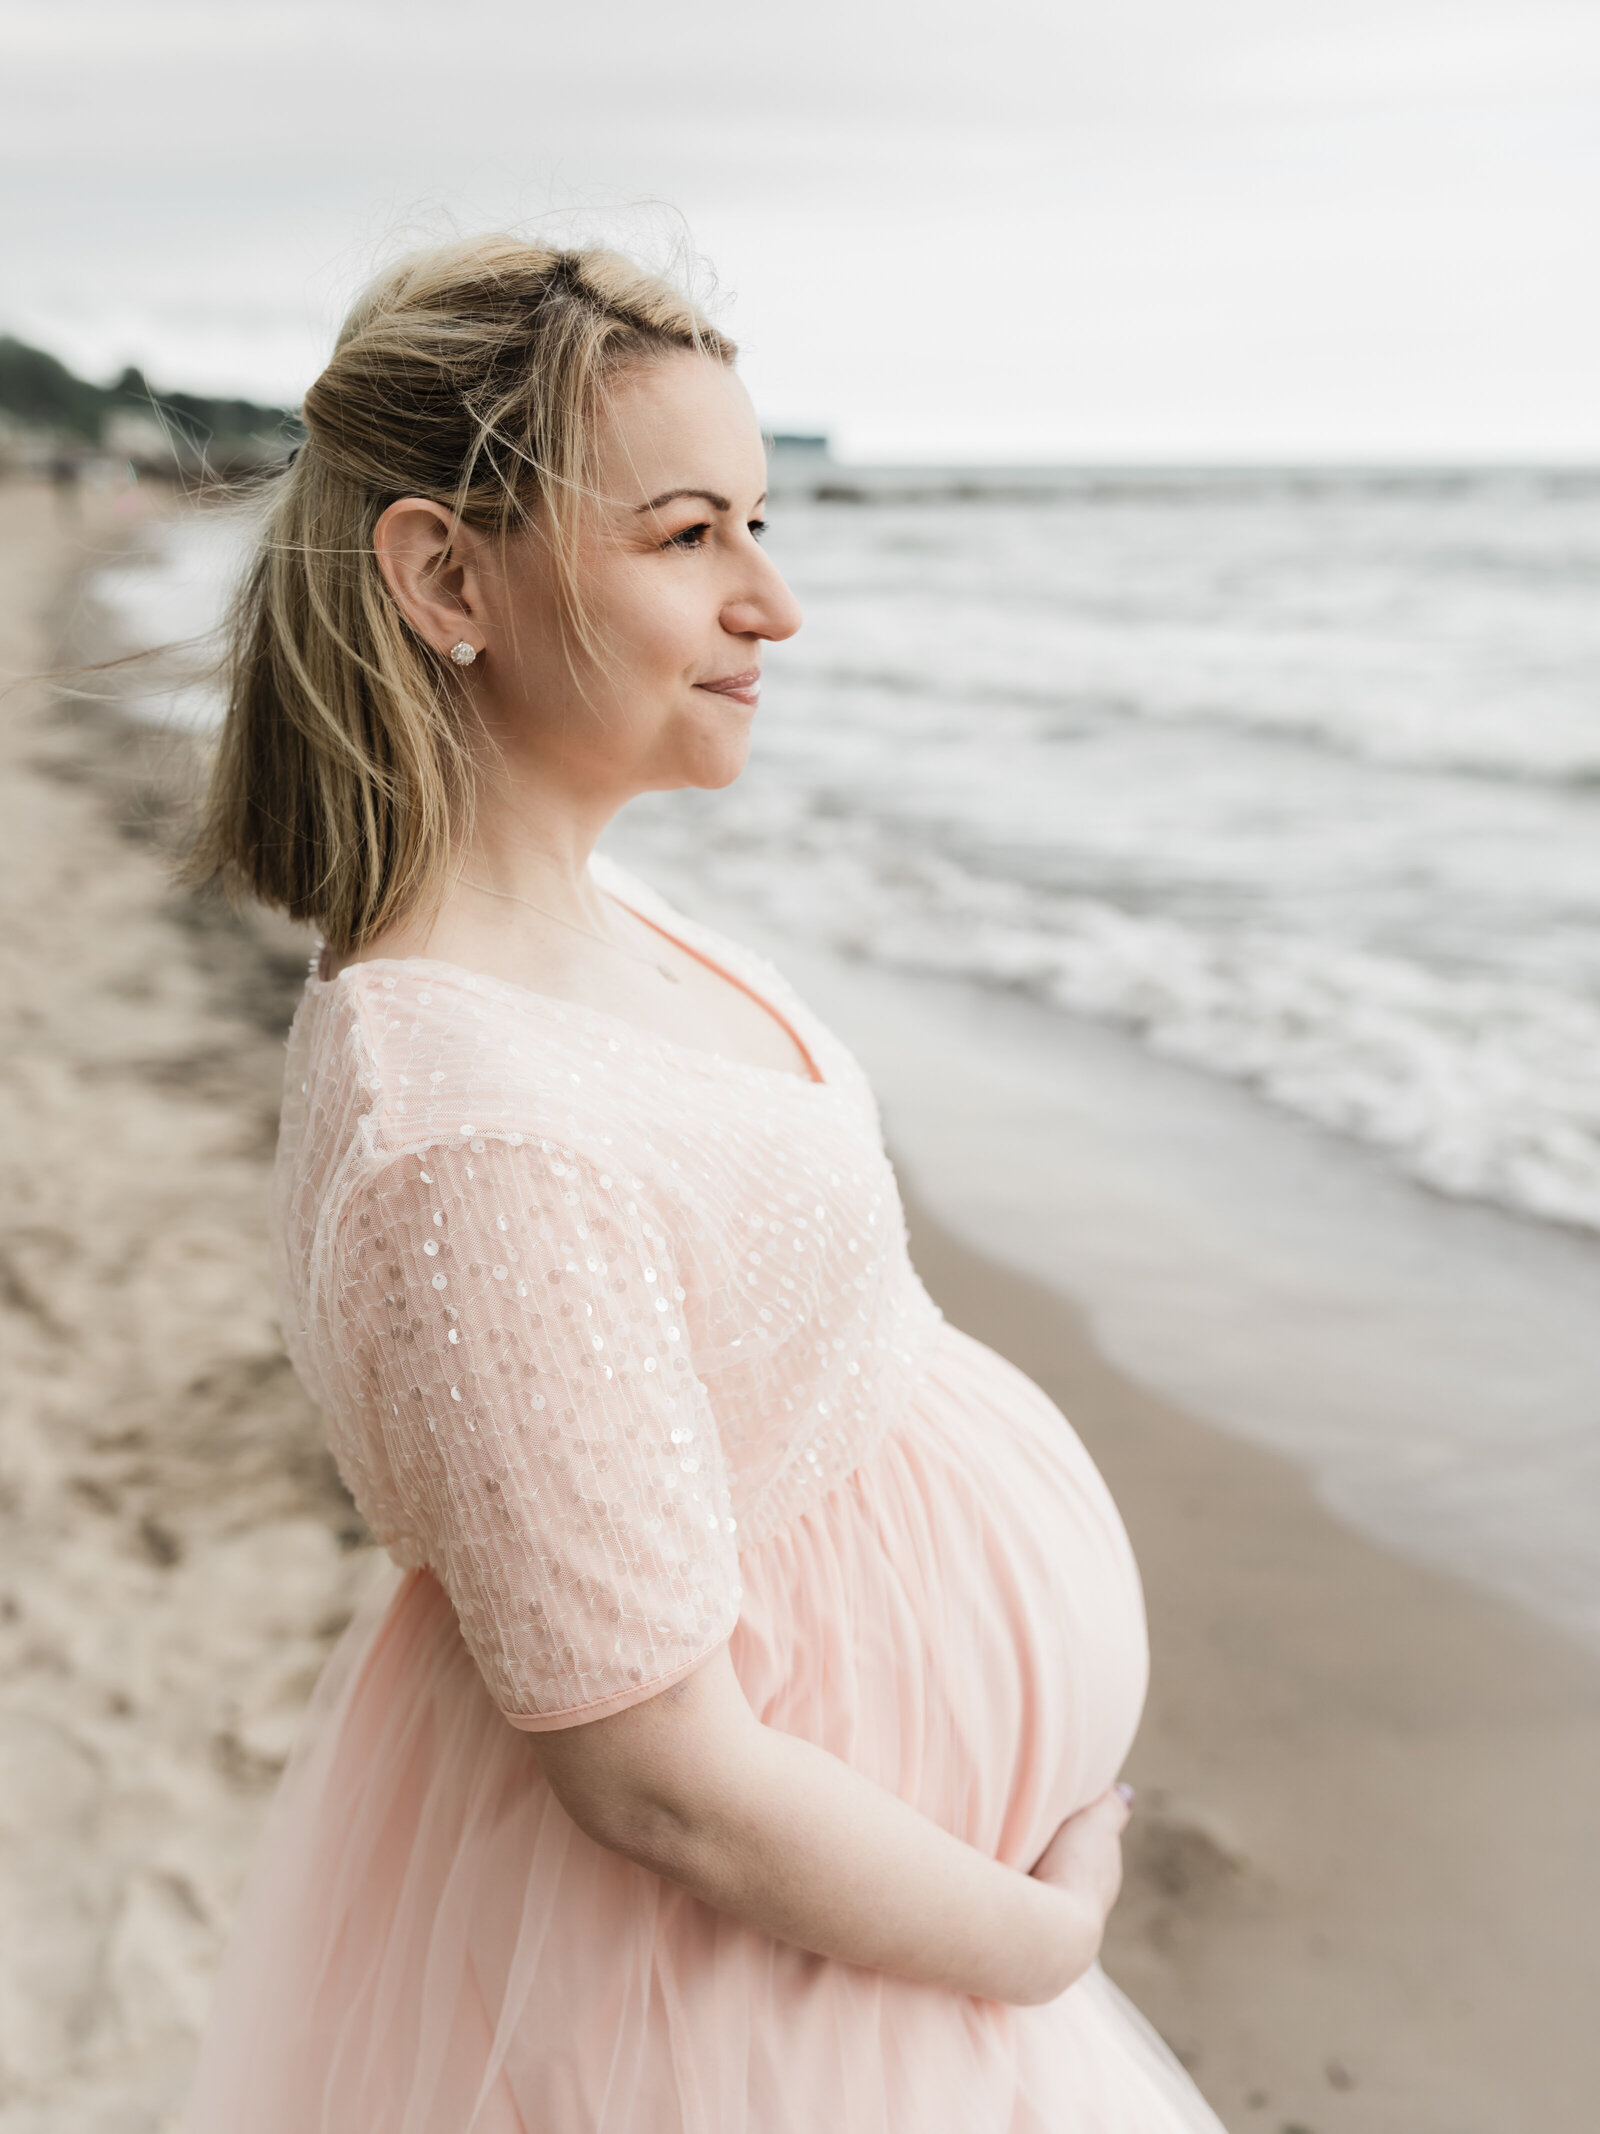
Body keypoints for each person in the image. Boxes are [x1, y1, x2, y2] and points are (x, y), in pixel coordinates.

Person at [179, 236, 1225, 2132]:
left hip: (836, 1941)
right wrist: (1038, 1945)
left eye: (760, 518)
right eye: (686, 537)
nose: (776, 601)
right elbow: (661, 1780)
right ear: (444, 577)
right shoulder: (466, 1131)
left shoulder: (602, 905)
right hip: (735, 1989)